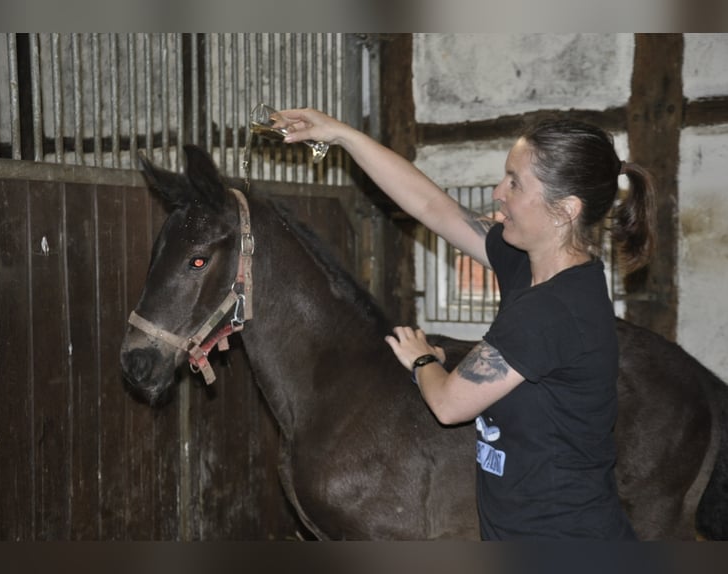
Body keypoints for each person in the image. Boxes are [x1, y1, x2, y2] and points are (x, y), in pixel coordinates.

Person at [277, 107, 656, 540]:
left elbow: (449, 404)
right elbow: (432, 206)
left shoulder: (551, 309)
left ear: (565, 210)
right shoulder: (528, 265)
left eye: (515, 183)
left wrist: (422, 360)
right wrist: (342, 135)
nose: (499, 192)